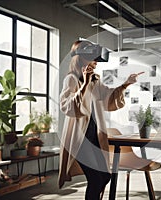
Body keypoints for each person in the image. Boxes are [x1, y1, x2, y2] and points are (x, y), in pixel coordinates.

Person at [58, 40, 140, 200]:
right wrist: (84, 84)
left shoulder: (96, 80)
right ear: (81, 58)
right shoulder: (71, 79)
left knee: (105, 176)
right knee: (96, 179)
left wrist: (125, 85)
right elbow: (67, 107)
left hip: (95, 136)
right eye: (93, 58)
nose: (96, 63)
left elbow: (108, 98)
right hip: (80, 139)